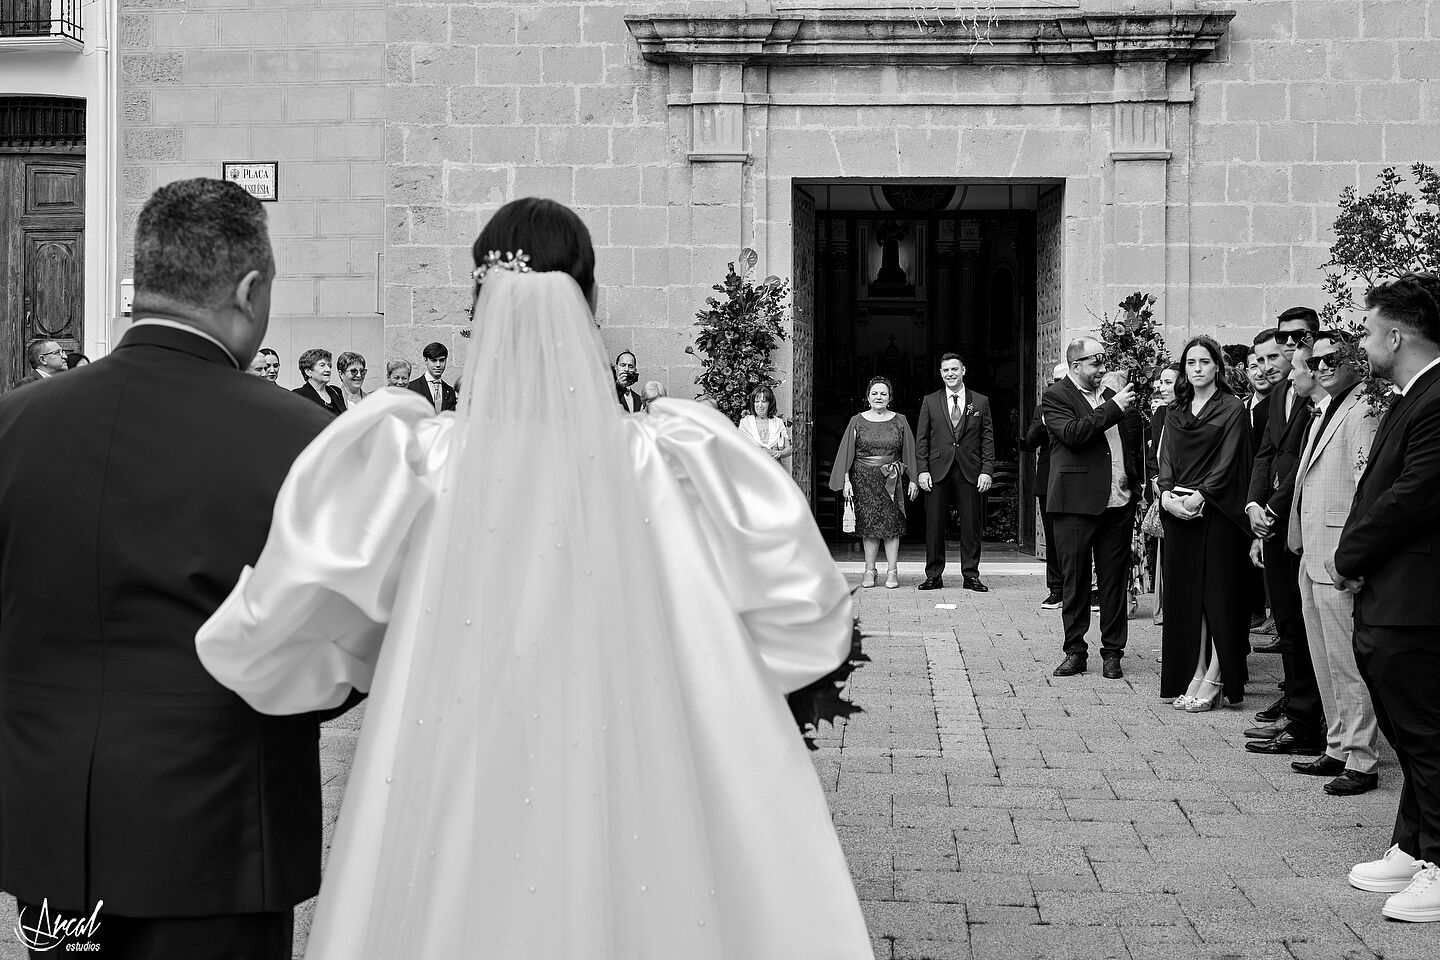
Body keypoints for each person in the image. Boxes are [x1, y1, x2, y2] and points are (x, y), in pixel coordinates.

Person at [196, 197, 874, 959]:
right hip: (639, 762)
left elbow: (296, 619)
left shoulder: (416, 461)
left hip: (455, 753)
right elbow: (801, 613)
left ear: (475, 308)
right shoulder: (673, 458)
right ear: (592, 303)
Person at [0, 178, 341, 958]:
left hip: (53, 842)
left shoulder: (14, 426)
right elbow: (326, 663)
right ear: (250, 291)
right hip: (218, 844)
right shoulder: (299, 439)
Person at [1332, 275, 1440, 923]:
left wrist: (1349, 555)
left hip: (1417, 599)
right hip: (1393, 595)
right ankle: (1411, 843)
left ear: (1395, 335)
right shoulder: (1413, 394)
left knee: (1428, 735)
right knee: (1408, 730)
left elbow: (1412, 496)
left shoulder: (1437, 399)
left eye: (1369, 329)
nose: (1364, 340)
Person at [1286, 331, 1380, 796]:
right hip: (1313, 553)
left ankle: (1362, 760)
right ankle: (1338, 746)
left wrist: (1356, 555)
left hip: (1340, 554)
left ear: (1353, 362)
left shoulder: (1362, 409)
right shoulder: (1326, 410)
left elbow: (1368, 486)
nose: (1321, 366)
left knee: (1347, 662)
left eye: (1331, 359)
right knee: (1323, 657)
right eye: (1315, 360)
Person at [1157, 336, 1253, 712]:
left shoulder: (1231, 408)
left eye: (1204, 362)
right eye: (1190, 363)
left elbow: (1230, 459)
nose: (1197, 368)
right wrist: (1166, 497)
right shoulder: (1176, 410)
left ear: (1218, 367)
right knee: (1188, 600)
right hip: (1179, 511)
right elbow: (1166, 458)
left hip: (1217, 512)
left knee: (1216, 598)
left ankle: (1216, 676)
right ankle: (1195, 670)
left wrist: (1201, 496)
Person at [1245, 309, 1325, 755]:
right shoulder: (1280, 394)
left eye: (1299, 337)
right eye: (1283, 336)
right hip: (1272, 522)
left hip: (1300, 521)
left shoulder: (1322, 393)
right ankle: (1298, 715)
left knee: (1307, 625)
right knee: (1289, 624)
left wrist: (1272, 510)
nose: (1291, 343)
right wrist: (1254, 505)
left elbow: (1303, 463)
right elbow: (1267, 454)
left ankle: (1308, 719)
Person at [1042, 339, 1144, 679]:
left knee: (1114, 581)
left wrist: (1136, 483)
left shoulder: (1111, 394)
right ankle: (1075, 651)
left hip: (1119, 502)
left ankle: (1113, 652)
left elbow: (1128, 443)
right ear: (1075, 366)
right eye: (1095, 363)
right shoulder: (1057, 397)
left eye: (1104, 362)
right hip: (1075, 503)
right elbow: (1074, 434)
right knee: (1076, 581)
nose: (1102, 369)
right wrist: (1113, 406)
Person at [829, 376, 919, 589]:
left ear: (890, 398)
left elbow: (910, 452)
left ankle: (892, 570)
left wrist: (914, 479)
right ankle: (869, 570)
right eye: (874, 393)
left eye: (883, 394)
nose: (879, 397)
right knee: (868, 525)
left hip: (893, 479)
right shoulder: (856, 421)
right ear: (867, 397)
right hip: (863, 479)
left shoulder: (901, 420)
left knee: (891, 525)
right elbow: (846, 453)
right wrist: (846, 480)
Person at [916, 352, 995, 592]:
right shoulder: (930, 401)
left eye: (954, 369)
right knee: (934, 525)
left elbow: (987, 438)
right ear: (941, 373)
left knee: (971, 524)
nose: (950, 374)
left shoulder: (980, 402)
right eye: (945, 370)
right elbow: (922, 439)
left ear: (963, 371)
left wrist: (987, 470)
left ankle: (971, 575)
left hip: (969, 469)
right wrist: (922, 470)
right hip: (937, 469)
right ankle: (934, 575)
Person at [1020, 362, 1068, 609]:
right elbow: (1029, 441)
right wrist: (1044, 422)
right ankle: (1056, 589)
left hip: (1076, 480)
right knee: (1053, 537)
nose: (1057, 387)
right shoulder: (1042, 408)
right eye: (1054, 382)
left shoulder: (1081, 406)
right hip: (1048, 480)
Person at [1244, 343, 1276, 637]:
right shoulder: (1243, 406)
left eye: (1268, 361)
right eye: (1255, 365)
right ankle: (1256, 610)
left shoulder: (1277, 405)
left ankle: (1274, 615)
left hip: (1272, 490)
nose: (1261, 371)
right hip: (1248, 491)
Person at [1145, 363, 1180, 625]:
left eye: (1168, 382)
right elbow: (1152, 454)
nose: (1161, 387)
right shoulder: (1160, 415)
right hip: (1163, 492)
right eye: (1161, 382)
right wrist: (1156, 478)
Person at [739, 385, 792, 461]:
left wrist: (776, 453)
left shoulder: (778, 422)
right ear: (753, 404)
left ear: (770, 404)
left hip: (774, 468)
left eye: (764, 402)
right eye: (757, 402)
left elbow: (788, 450)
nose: (760, 405)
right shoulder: (745, 423)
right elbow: (739, 448)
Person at [292, 348, 347, 416]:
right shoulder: (298, 395)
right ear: (308, 372)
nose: (328, 369)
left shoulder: (336, 391)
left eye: (329, 365)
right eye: (322, 365)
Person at [408, 342, 456, 412]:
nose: (438, 365)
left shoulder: (450, 391)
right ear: (426, 360)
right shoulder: (412, 388)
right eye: (434, 360)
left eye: (442, 360)